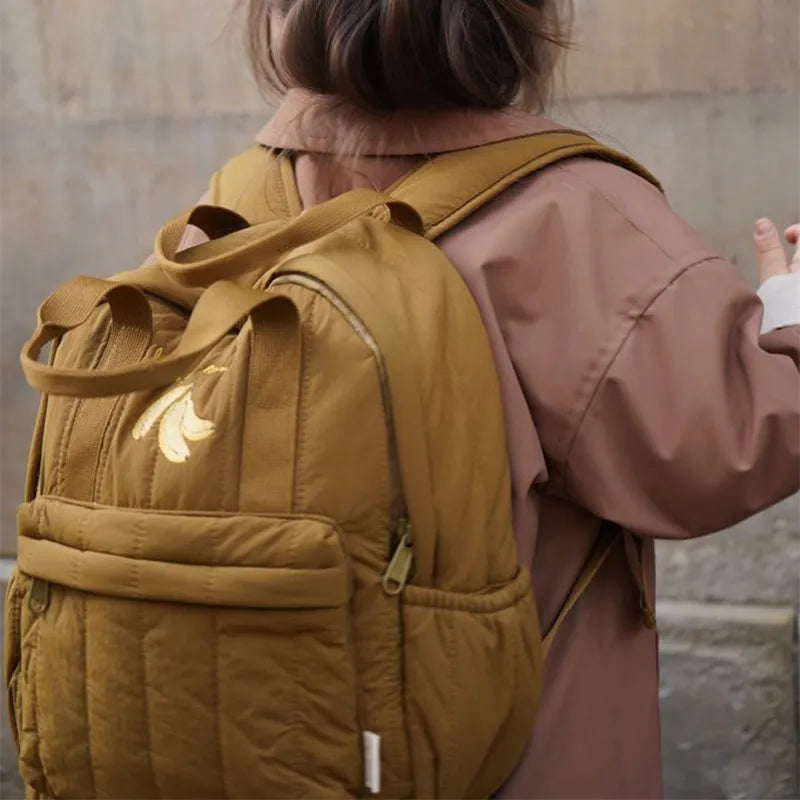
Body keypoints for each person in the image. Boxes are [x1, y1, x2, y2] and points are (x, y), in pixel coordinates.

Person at [188, 2, 800, 798]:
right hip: (505, 754)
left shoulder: (237, 197)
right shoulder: (569, 212)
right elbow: (722, 447)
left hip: (279, 737)